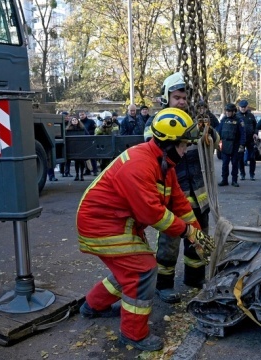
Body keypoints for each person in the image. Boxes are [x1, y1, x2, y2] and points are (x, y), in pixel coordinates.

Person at [76, 108, 212, 351]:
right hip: (102, 225)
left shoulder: (163, 163)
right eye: (183, 145)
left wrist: (198, 232)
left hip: (117, 223)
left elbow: (179, 202)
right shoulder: (139, 165)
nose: (185, 150)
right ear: (169, 144)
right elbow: (153, 214)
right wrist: (188, 233)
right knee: (143, 270)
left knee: (127, 271)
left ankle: (92, 306)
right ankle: (133, 334)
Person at [150, 71, 219, 304]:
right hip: (173, 198)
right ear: (166, 97)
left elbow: (212, 144)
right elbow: (153, 151)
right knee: (169, 245)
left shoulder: (193, 122)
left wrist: (210, 132)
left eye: (183, 98)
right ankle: (164, 285)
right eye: (177, 97)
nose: (181, 101)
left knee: (198, 240)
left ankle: (195, 278)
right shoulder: (157, 124)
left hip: (199, 196)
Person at [216, 103, 246, 187]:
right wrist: (217, 142)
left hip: (235, 145)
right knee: (225, 163)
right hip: (225, 144)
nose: (227, 113)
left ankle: (234, 180)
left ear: (233, 112)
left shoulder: (239, 120)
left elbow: (243, 133)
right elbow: (218, 131)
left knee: (234, 163)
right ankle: (224, 180)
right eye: (227, 111)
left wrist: (242, 145)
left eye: (229, 111)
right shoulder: (224, 120)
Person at [237, 99, 258, 181]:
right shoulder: (237, 116)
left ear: (247, 107)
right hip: (241, 140)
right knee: (240, 158)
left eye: (244, 107)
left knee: (252, 157)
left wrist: (255, 133)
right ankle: (242, 173)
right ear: (239, 107)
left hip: (250, 139)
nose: (243, 109)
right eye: (241, 107)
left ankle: (252, 174)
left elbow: (256, 126)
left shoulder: (251, 116)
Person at [66, 116, 90, 181]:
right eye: (73, 120)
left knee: (82, 162)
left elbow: (87, 135)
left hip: (81, 147)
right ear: (71, 121)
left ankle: (81, 175)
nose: (74, 121)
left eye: (76, 120)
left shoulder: (82, 128)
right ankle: (77, 175)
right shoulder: (68, 129)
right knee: (76, 162)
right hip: (74, 148)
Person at [79, 111, 99, 176]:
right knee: (85, 158)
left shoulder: (91, 121)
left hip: (91, 140)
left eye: (83, 114)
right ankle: (87, 170)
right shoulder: (79, 123)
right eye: (80, 115)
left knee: (92, 156)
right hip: (83, 141)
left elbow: (96, 130)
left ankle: (95, 170)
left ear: (85, 114)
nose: (82, 116)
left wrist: (88, 132)